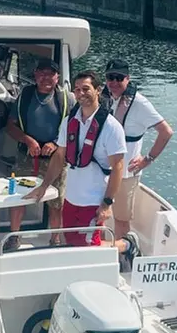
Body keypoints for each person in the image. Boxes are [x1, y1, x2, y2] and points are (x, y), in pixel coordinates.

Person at [26, 71, 139, 267]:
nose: (80, 93)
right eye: (77, 90)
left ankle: (126, 245)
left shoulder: (111, 127)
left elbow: (118, 168)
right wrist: (44, 185)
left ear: (98, 90)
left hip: (93, 201)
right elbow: (60, 156)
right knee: (71, 243)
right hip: (71, 198)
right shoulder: (69, 121)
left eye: (86, 89)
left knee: (88, 248)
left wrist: (107, 204)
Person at [102, 59, 174, 240]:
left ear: (128, 79)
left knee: (121, 219)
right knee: (97, 213)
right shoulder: (104, 98)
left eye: (119, 78)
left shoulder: (140, 103)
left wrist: (147, 159)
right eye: (110, 78)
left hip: (126, 173)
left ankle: (122, 255)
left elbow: (166, 132)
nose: (114, 83)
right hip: (101, 170)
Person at [5, 58, 73, 248]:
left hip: (56, 158)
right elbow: (10, 127)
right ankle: (14, 237)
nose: (46, 77)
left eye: (50, 73)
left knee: (56, 201)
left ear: (57, 77)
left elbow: (76, 131)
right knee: (18, 198)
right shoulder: (24, 96)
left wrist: (55, 143)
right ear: (35, 75)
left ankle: (55, 239)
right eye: (42, 73)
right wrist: (27, 140)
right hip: (27, 156)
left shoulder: (67, 99)